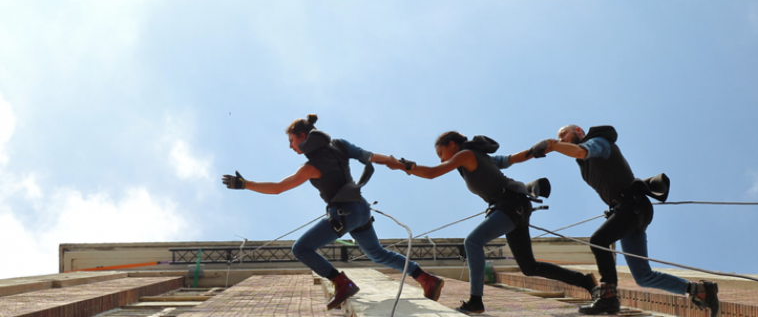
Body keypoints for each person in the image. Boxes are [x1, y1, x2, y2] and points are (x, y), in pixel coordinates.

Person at [222, 114, 444, 310]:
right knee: (377, 253)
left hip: (344, 213)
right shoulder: (339, 144)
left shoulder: (310, 166)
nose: (290, 147)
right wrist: (397, 163)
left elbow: (278, 188)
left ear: (302, 136)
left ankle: (341, 282)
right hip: (361, 209)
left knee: (301, 248)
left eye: (291, 141)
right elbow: (371, 156)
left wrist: (245, 184)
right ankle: (425, 278)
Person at [390, 131, 598, 315]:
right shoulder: (481, 157)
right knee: (529, 267)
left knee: (472, 242)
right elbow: (512, 159)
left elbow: (433, 173)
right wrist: (537, 149)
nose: (442, 158)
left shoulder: (465, 155)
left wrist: (406, 167)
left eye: (441, 153)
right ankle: (585, 282)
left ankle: (475, 301)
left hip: (509, 205)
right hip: (515, 207)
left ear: (452, 145)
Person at [529, 125, 719, 316]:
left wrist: (551, 145)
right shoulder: (584, 165)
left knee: (598, 241)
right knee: (643, 277)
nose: (562, 139)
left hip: (632, 205)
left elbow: (581, 151)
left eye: (564, 135)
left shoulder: (597, 142)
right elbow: (579, 155)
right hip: (626, 211)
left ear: (578, 130)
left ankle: (608, 298)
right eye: (559, 138)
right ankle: (699, 290)